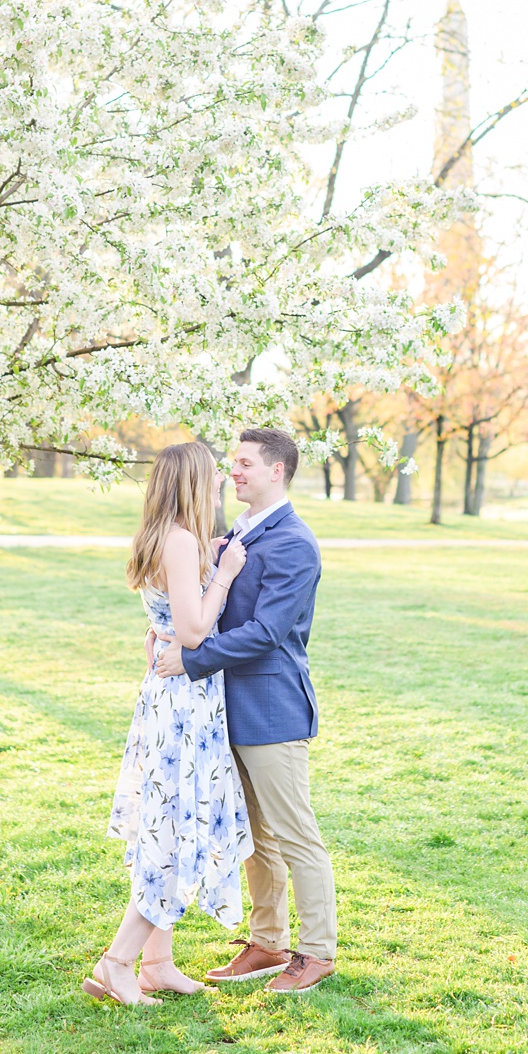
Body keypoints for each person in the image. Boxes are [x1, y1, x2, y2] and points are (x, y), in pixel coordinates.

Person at [153, 425, 339, 994]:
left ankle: (317, 952)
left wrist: (192, 659)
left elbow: (265, 632)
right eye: (232, 463)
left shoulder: (294, 543)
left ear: (277, 471)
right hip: (227, 709)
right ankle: (267, 942)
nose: (233, 472)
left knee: (294, 833)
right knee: (254, 836)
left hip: (272, 708)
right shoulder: (239, 531)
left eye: (245, 464)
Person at [89, 439, 254, 1006]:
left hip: (171, 698)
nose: (218, 485)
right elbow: (193, 632)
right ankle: (117, 962)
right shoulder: (181, 543)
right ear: (191, 483)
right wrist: (226, 573)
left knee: (175, 819)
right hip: (184, 702)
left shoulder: (164, 537)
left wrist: (209, 556)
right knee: (173, 830)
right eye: (211, 478)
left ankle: (157, 962)